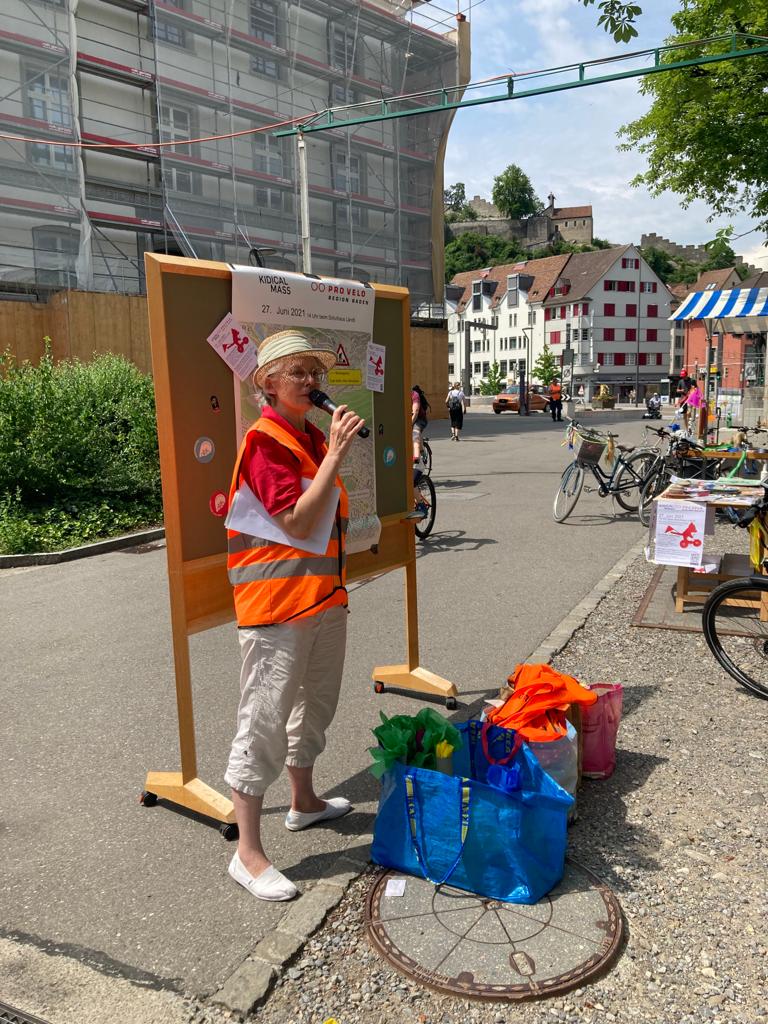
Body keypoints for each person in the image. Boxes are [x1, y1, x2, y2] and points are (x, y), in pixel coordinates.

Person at [224, 330, 364, 902]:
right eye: (298, 372)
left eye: (315, 372)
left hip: (323, 599)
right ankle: (248, 853)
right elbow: (300, 524)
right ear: (268, 383)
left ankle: (303, 802)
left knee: (315, 703)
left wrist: (328, 450)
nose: (312, 381)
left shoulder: (307, 436)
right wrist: (335, 453)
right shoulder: (265, 443)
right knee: (263, 718)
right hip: (276, 607)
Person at [411, 384, 430, 510]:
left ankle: (421, 506)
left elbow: (416, 412)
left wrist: (408, 424)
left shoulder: (414, 395)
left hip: (419, 419)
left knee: (415, 433)